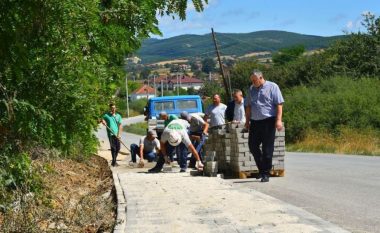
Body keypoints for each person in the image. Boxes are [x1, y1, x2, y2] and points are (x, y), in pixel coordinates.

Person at [245, 69, 284, 182]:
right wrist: (247, 123)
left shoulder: (273, 87)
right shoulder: (251, 89)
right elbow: (248, 107)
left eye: (254, 80)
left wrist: (278, 120)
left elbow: (279, 105)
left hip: (268, 121)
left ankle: (265, 173)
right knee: (252, 146)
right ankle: (262, 169)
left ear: (261, 78)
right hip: (255, 122)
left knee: (267, 149)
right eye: (252, 80)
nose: (253, 82)